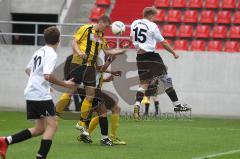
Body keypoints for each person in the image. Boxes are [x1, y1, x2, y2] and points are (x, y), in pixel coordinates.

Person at [0, 26, 76, 159]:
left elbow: (28, 70)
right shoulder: (52, 54)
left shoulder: (39, 51)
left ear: (45, 39)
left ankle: (5, 141)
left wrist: (43, 84)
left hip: (32, 93)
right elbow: (47, 75)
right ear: (58, 40)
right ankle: (40, 157)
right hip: (40, 95)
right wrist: (65, 84)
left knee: (39, 129)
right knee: (53, 125)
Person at [55, 15, 126, 134]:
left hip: (90, 66)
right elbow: (74, 42)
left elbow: (107, 51)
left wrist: (120, 51)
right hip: (78, 62)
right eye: (106, 26)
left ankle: (82, 122)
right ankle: (55, 115)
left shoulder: (101, 36)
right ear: (101, 22)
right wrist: (79, 53)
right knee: (72, 89)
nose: (107, 29)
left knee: (90, 94)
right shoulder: (86, 28)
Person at [130, 7, 190, 119]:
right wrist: (174, 53)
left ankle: (137, 104)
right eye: (154, 16)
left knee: (143, 83)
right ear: (151, 15)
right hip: (151, 56)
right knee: (166, 78)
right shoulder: (152, 26)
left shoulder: (135, 23)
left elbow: (131, 37)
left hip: (140, 57)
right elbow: (164, 43)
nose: (155, 18)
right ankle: (177, 105)